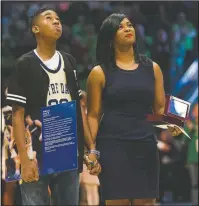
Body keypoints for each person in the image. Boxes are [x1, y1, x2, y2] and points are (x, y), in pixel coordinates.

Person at [6, 7, 101, 205]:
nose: (56, 21)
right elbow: (17, 114)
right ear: (35, 29)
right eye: (49, 18)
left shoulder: (69, 61)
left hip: (67, 146)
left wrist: (91, 148)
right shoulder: (24, 63)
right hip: (36, 150)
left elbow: (78, 109)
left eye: (58, 19)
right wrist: (24, 159)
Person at [87, 13, 180, 206]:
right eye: (120, 27)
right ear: (110, 39)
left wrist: (173, 122)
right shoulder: (99, 73)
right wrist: (92, 150)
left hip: (145, 144)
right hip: (112, 145)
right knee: (117, 202)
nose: (128, 28)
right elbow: (94, 116)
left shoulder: (152, 68)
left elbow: (160, 107)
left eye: (129, 25)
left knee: (146, 202)